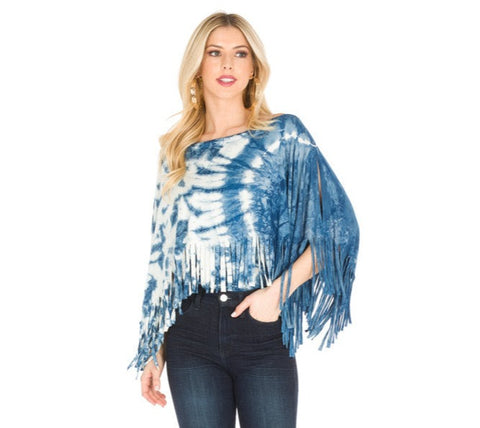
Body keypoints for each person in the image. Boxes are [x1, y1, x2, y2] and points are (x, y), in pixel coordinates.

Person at [127, 11, 360, 428]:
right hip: (189, 333)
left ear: (254, 68)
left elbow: (338, 227)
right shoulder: (176, 150)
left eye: (240, 54)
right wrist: (154, 349)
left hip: (260, 327)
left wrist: (277, 294)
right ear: (198, 66)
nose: (227, 64)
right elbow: (165, 260)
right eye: (214, 52)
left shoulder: (282, 135)